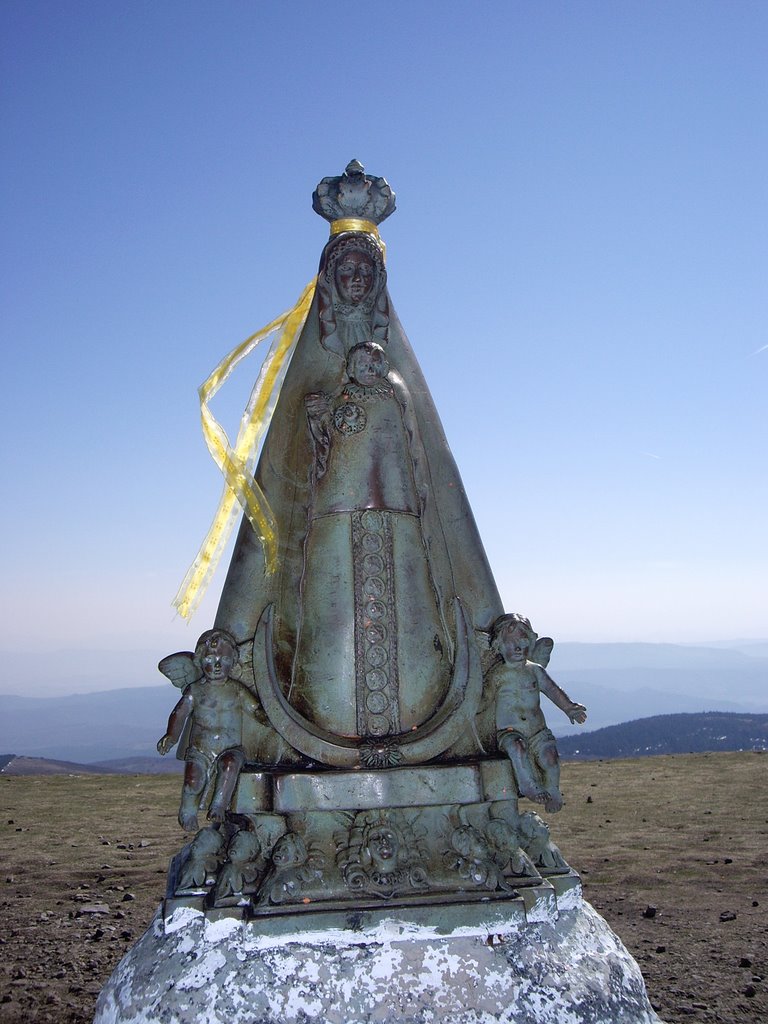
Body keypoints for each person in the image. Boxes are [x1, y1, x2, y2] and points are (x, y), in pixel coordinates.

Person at [157, 629, 261, 831]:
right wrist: (171, 736)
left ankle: (218, 806)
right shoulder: (195, 690)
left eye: (223, 660)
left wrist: (267, 718)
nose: (216, 665)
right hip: (200, 749)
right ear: (199, 661)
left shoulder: (237, 690)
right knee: (193, 781)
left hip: (231, 748)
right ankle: (187, 812)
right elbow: (179, 713)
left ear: (233, 661)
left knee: (229, 766)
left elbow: (255, 709)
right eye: (210, 659)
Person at [488, 613, 587, 813]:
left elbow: (553, 690)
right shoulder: (497, 675)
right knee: (517, 748)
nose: (517, 648)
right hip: (509, 731)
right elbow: (483, 701)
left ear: (530, 644)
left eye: (522, 642)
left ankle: (553, 790)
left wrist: (569, 708)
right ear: (498, 645)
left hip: (537, 730)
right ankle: (528, 786)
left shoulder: (534, 670)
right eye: (511, 643)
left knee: (550, 758)